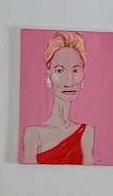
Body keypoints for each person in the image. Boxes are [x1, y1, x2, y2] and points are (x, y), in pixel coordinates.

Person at [22, 31, 95, 164]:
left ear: (83, 74)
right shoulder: (33, 133)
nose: (69, 81)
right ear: (49, 76)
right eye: (60, 71)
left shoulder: (86, 132)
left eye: (75, 70)